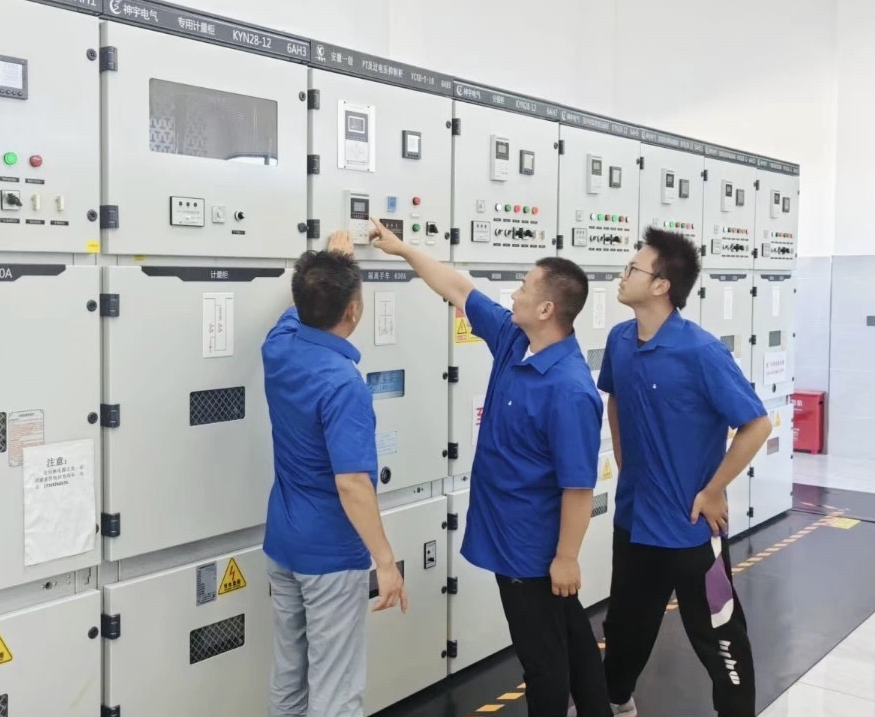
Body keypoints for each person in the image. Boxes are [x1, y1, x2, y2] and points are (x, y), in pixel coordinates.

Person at [369, 218, 612, 717]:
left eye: (523, 287)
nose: (514, 293)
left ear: (546, 309)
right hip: (509, 535)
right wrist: (402, 249)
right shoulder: (514, 339)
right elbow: (459, 289)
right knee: (570, 635)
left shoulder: (569, 389)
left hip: (532, 550)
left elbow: (578, 488)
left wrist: (566, 557)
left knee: (543, 663)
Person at [597, 227, 771, 717]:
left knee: (718, 633)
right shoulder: (619, 340)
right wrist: (624, 459)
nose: (622, 274)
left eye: (633, 268)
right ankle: (617, 703)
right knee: (626, 628)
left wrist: (715, 489)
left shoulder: (701, 352)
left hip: (692, 525)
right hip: (635, 521)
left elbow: (756, 424)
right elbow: (616, 398)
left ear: (660, 285)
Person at [261, 228, 408, 717]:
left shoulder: (278, 348)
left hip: (283, 543)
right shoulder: (344, 384)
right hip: (330, 554)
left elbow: (297, 313)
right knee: (336, 689)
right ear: (354, 311)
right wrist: (385, 562)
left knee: (289, 675)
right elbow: (353, 484)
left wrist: (330, 265)